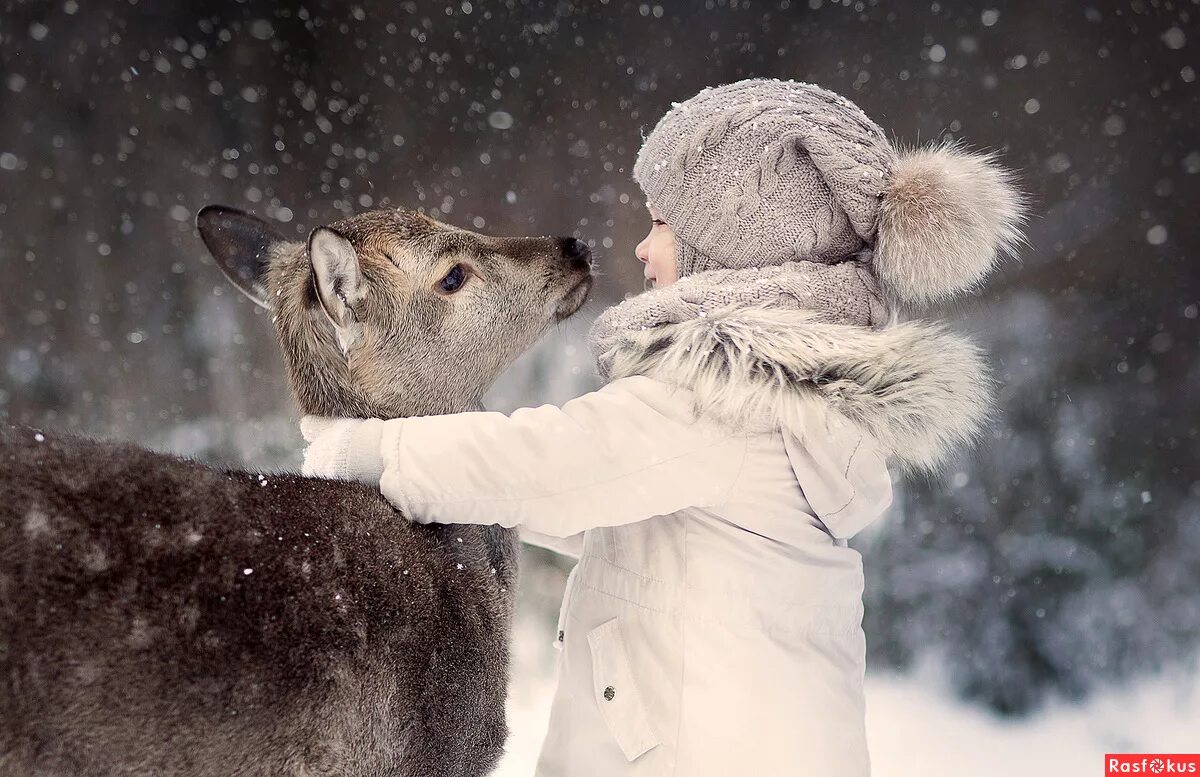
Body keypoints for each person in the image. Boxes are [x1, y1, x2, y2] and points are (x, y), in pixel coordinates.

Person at [300, 78, 1026, 776]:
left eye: (661, 224)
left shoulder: (720, 398)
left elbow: (553, 467)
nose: (643, 248)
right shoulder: (782, 410)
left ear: (733, 246)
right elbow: (618, 518)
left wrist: (367, 450)